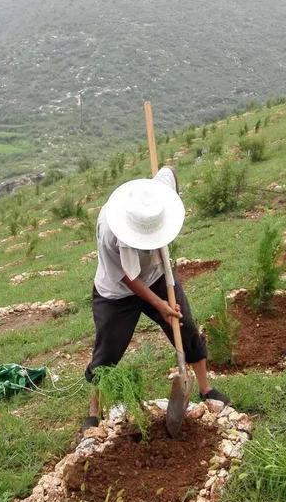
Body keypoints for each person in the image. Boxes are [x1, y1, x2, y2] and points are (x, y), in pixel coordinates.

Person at [84, 166, 230, 427]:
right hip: (116, 293)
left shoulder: (155, 199)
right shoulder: (109, 230)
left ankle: (206, 390)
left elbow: (169, 172)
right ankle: (93, 412)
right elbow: (128, 278)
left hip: (158, 276)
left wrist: (165, 299)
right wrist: (159, 304)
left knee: (186, 329)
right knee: (107, 352)